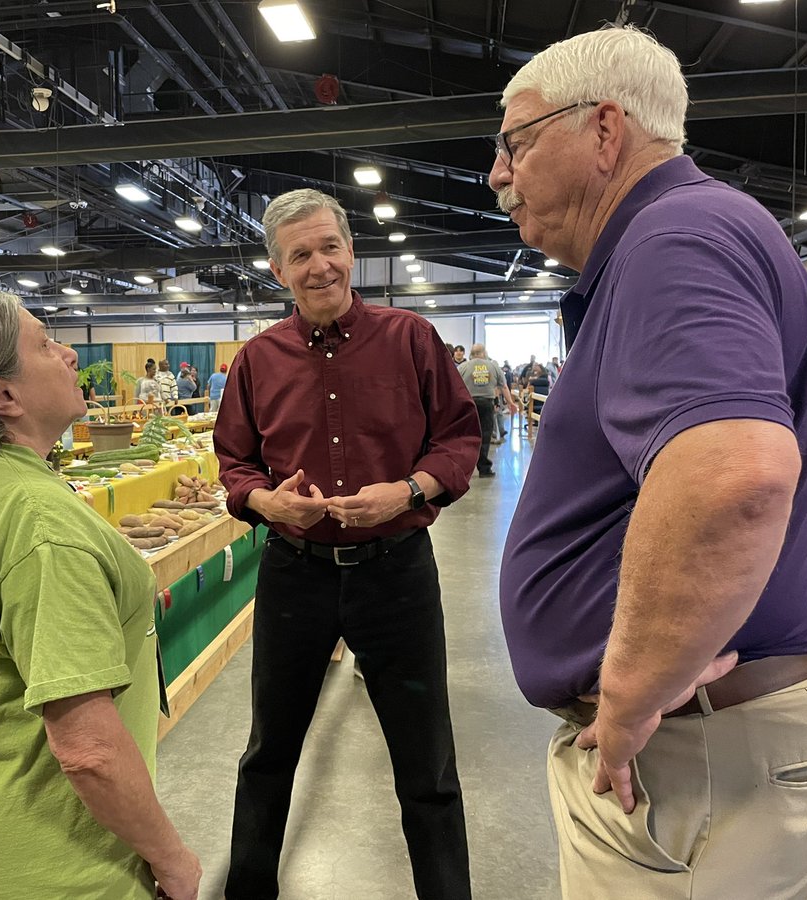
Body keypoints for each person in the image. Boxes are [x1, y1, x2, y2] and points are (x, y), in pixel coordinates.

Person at [493, 26, 807, 898]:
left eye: (515, 143)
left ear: (605, 131)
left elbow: (738, 477)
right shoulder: (695, 233)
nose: (499, 175)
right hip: (707, 740)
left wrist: (626, 698)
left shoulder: (672, 235)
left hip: (692, 750)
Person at [0, 289, 201, 900]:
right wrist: (173, 859)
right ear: (1, 394)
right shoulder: (36, 522)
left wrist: (118, 608)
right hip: (52, 870)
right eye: (46, 344)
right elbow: (87, 751)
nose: (70, 354)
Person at [215, 188, 480, 900]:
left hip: (396, 578)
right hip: (294, 579)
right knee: (268, 754)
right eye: (300, 254)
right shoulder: (256, 360)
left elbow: (459, 437)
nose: (320, 265)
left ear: (352, 251)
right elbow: (233, 464)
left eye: (329, 246)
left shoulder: (411, 339)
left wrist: (411, 490)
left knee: (427, 765)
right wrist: (264, 502)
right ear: (277, 270)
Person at [459, 344, 518, 478]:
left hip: (469, 404)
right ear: (484, 352)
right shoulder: (493, 366)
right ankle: (484, 468)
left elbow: (453, 387)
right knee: (485, 435)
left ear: (471, 353)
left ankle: (463, 468)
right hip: (486, 403)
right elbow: (503, 387)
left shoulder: (463, 367)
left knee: (467, 435)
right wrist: (511, 403)